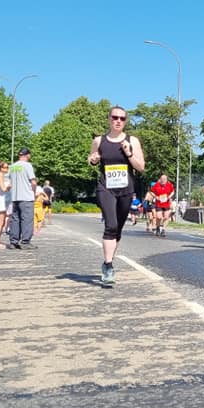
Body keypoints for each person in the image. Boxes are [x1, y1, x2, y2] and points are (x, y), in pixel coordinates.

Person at [88, 106, 146, 286]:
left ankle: (109, 257)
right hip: (106, 188)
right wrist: (94, 159)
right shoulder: (99, 141)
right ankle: (108, 265)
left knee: (118, 229)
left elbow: (141, 167)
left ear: (125, 121)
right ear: (109, 119)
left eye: (122, 118)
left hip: (126, 189)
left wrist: (129, 153)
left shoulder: (132, 141)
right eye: (115, 117)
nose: (118, 121)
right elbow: (91, 158)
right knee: (110, 225)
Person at [8, 147, 38, 250]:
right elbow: (33, 182)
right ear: (27, 155)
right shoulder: (27, 165)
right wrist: (33, 193)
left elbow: (10, 182)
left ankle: (13, 242)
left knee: (15, 219)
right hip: (26, 197)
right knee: (27, 220)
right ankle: (25, 242)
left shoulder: (12, 166)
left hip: (15, 197)